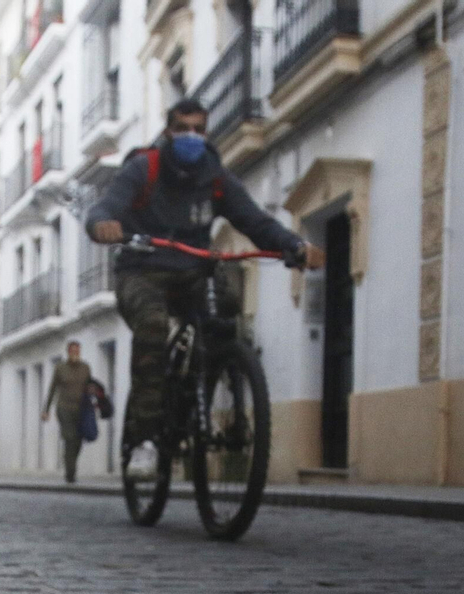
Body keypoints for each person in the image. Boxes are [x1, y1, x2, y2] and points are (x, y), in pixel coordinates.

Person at [86, 97, 324, 479]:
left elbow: (255, 221)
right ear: (168, 132)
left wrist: (294, 246)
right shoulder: (142, 169)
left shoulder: (215, 178)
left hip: (192, 270)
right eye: (183, 129)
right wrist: (102, 225)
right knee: (151, 326)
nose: (192, 137)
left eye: (199, 129)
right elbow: (106, 206)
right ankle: (145, 440)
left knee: (226, 307)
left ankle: (210, 374)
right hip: (141, 270)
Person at [42, 340, 92, 483]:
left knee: (78, 442)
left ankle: (71, 467)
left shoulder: (85, 368)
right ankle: (70, 473)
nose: (75, 353)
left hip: (81, 410)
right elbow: (52, 389)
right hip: (64, 409)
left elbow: (90, 387)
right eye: (73, 351)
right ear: (68, 352)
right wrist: (46, 410)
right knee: (69, 439)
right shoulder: (60, 368)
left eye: (78, 351)